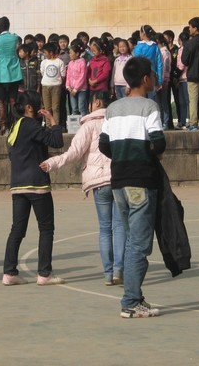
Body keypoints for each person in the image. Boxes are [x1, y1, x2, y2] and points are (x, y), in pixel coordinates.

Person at [99, 57, 165, 318]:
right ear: (146, 79)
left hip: (119, 182)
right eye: (153, 75)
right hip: (141, 181)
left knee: (130, 239)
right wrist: (146, 154)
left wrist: (122, 154)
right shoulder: (149, 106)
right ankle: (130, 301)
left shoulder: (113, 108)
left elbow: (104, 144)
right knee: (139, 243)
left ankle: (135, 296)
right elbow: (158, 142)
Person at [41, 90, 124, 286]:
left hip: (99, 183)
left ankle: (108, 273)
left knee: (105, 228)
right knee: (120, 226)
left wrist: (53, 162)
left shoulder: (89, 125)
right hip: (119, 178)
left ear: (97, 103)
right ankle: (119, 270)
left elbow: (74, 153)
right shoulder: (118, 122)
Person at [2, 90, 66, 286]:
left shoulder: (15, 126)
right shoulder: (30, 125)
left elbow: (16, 153)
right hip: (37, 184)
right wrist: (53, 121)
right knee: (46, 229)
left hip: (18, 184)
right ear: (30, 108)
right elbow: (57, 141)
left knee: (17, 229)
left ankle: (9, 272)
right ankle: (44, 273)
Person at [0, 16, 22, 135]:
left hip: (0, 74)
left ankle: (3, 126)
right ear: (9, 25)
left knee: (1, 100)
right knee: (13, 99)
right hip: (14, 73)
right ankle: (15, 124)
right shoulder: (15, 37)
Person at [132, 25, 163, 99]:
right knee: (152, 98)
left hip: (139, 76)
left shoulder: (138, 47)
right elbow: (160, 64)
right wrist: (159, 81)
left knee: (141, 98)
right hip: (151, 75)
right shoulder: (155, 47)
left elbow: (134, 63)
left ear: (143, 34)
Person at [39, 41, 65, 120]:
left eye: (45, 52)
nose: (44, 54)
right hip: (45, 86)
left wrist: (57, 82)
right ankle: (48, 125)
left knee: (55, 108)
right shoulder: (44, 62)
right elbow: (43, 73)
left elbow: (63, 75)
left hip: (56, 87)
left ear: (51, 53)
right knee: (47, 108)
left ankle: (55, 124)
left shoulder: (59, 62)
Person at [66, 40, 89, 116]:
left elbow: (82, 77)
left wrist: (76, 89)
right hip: (71, 89)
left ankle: (84, 121)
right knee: (74, 108)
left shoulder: (82, 62)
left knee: (81, 107)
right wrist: (68, 86)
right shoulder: (70, 63)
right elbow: (68, 75)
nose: (69, 55)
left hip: (81, 89)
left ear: (77, 54)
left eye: (71, 53)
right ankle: (75, 123)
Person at [175, 32, 190, 129]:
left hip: (183, 77)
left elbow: (181, 65)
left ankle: (185, 121)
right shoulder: (190, 48)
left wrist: (176, 75)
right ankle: (184, 121)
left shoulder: (182, 50)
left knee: (185, 101)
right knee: (185, 101)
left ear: (180, 40)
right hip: (185, 78)